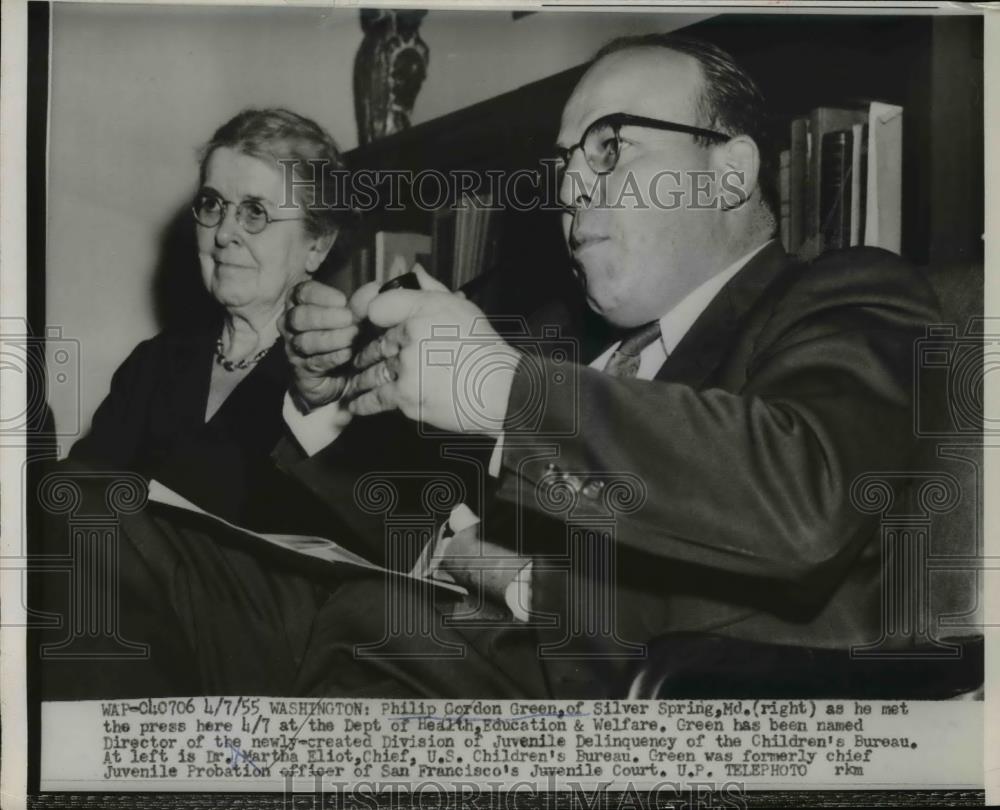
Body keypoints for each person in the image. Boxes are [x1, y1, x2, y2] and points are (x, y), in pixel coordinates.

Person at [275, 33, 942, 697]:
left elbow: (809, 504)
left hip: (667, 717)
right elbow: (398, 531)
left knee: (358, 628)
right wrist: (331, 396)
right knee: (189, 566)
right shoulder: (557, 340)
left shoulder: (850, 296)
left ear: (731, 172)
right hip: (458, 663)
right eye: (563, 162)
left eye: (611, 148)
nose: (567, 188)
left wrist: (509, 401)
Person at [67, 107, 343, 531]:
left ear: (317, 245)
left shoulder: (338, 383)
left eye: (255, 212)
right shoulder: (153, 365)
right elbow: (74, 504)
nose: (224, 233)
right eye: (213, 205)